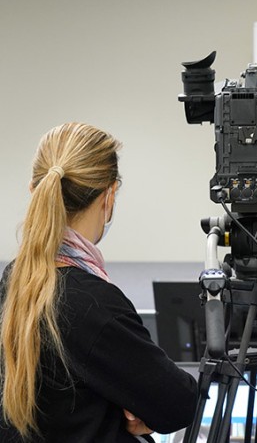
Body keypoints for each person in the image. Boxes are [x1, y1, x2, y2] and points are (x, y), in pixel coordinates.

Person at [0, 123, 198, 442]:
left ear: (33, 190)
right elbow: (179, 403)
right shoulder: (91, 302)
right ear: (109, 195)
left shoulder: (14, 280)